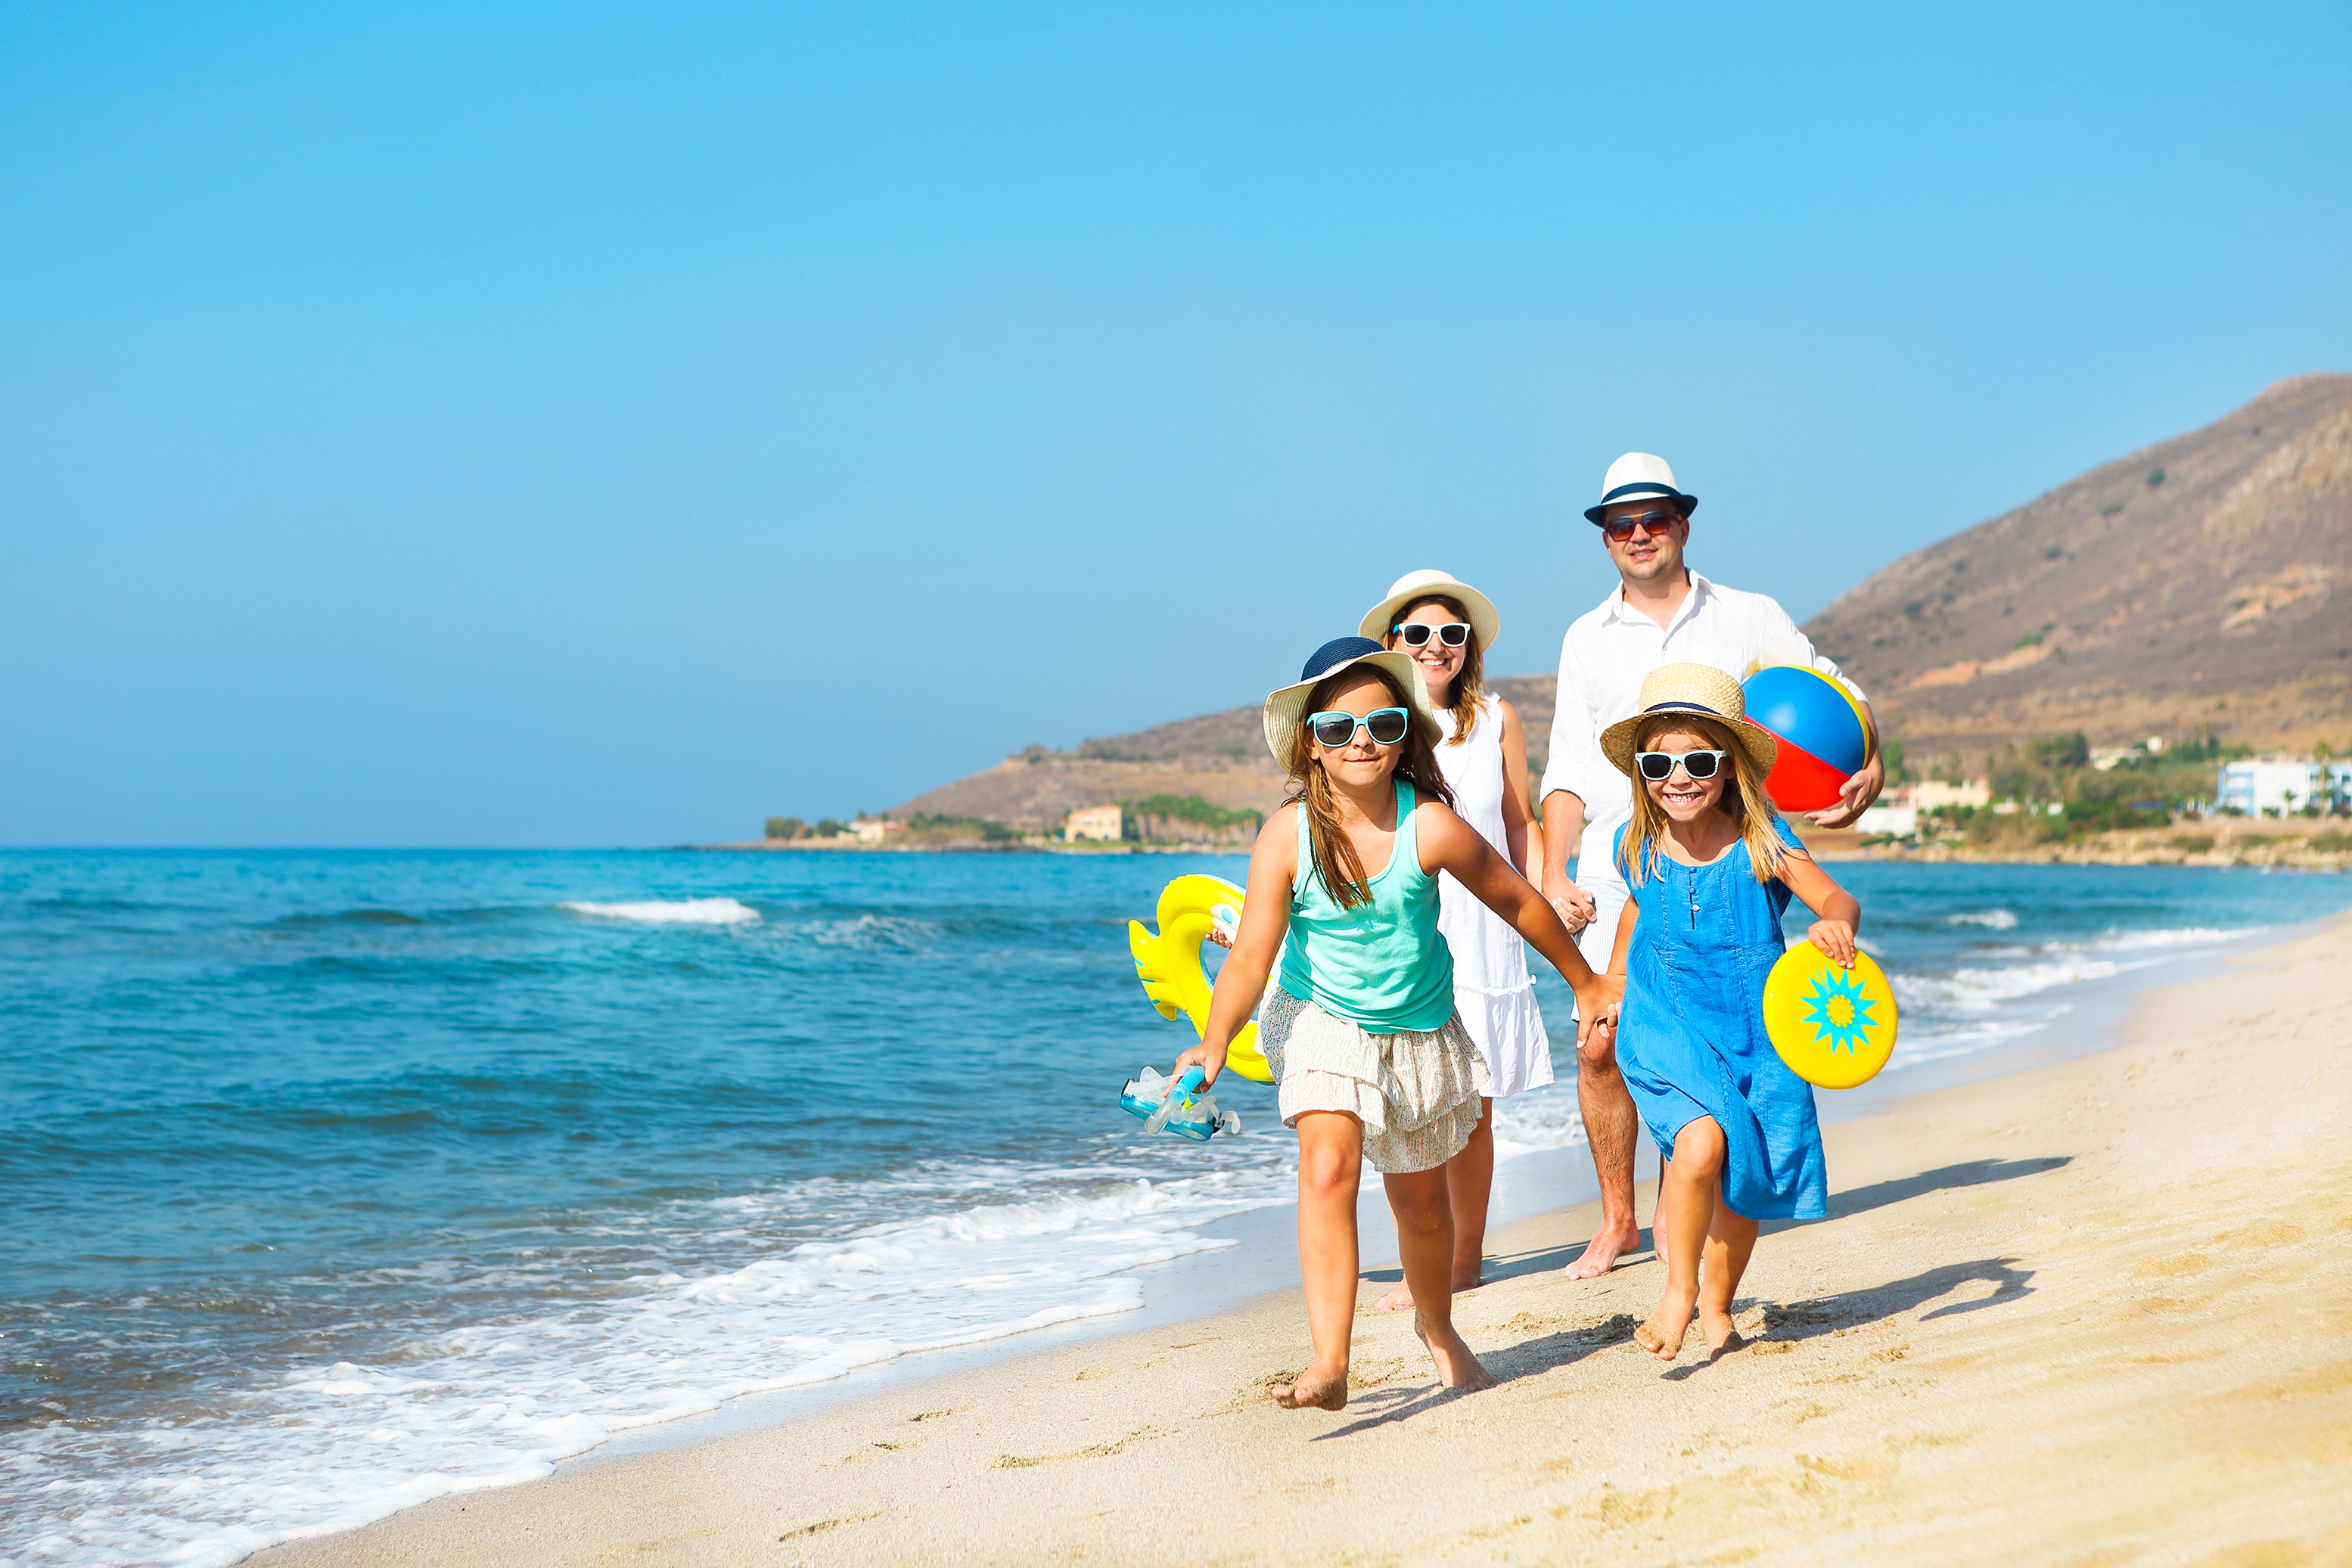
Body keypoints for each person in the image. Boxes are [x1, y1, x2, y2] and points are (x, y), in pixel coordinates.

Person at [1172, 636, 1614, 1411]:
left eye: (1380, 725)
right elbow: (1248, 959)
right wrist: (1213, 1041)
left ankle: (1439, 1331)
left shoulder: (1431, 825)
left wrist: (1583, 981)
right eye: (1339, 730)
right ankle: (1330, 1360)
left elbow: (1515, 901)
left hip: (1416, 1031)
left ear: (1404, 732)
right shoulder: (1287, 836)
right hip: (1320, 1018)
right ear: (1311, 746)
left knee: (1419, 1206)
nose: (1361, 743)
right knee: (1328, 1166)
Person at [1540, 452, 1882, 1280]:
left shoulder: (1749, 615)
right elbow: (1566, 769)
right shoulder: (1585, 638)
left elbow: (1833, 694)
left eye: (1654, 518)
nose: (1639, 534)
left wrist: (1874, 761)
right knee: (1599, 1046)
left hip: (1729, 857)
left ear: (1683, 523)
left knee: (1705, 1035)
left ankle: (1679, 1202)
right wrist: (1554, 874)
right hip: (1624, 861)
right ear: (1605, 538)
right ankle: (1619, 1216)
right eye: (1622, 524)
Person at [1589, 664, 1860, 1360]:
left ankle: (1716, 1304)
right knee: (1702, 1143)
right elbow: (1637, 909)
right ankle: (1678, 1291)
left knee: (1747, 1177)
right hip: (1666, 1022)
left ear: (1729, 765)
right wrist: (1612, 984)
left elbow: (1836, 899)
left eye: (1698, 761)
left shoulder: (1761, 841)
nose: (1677, 778)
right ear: (1641, 772)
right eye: (1658, 763)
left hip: (1759, 1030)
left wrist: (1833, 926)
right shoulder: (1635, 842)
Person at [1351, 571, 1547, 1312]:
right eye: (1419, 634)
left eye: (1452, 634)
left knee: (1477, 1107)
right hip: (1407, 928)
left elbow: (1517, 819)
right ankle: (1420, 1258)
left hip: (1486, 929)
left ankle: (1464, 1258)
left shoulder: (1495, 718)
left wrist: (1543, 893)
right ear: (1390, 644)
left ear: (1469, 647)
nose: (1436, 646)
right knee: (1412, 1104)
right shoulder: (1377, 723)